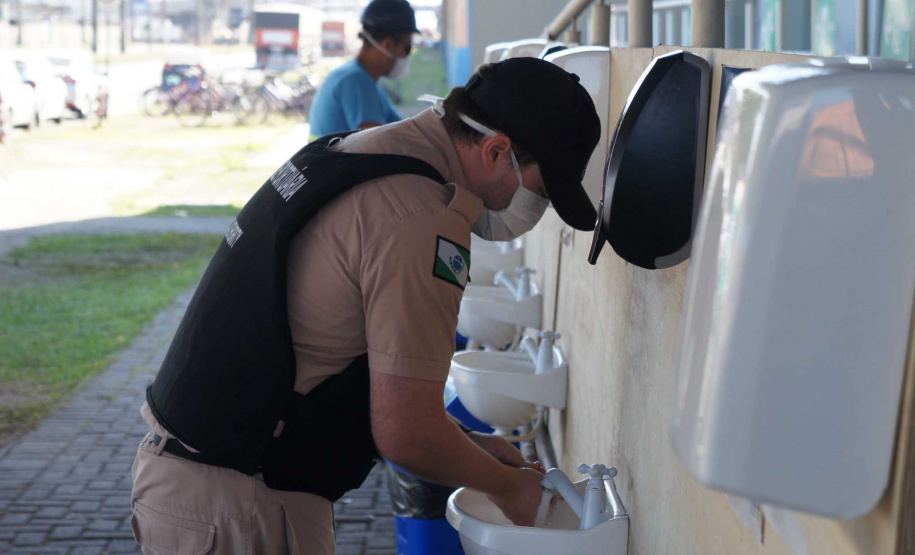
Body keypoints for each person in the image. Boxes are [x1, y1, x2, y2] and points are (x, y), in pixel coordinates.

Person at [130, 57, 601, 555]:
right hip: (237, 505)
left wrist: (475, 444)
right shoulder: (422, 215)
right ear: (496, 150)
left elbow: (367, 381)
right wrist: (512, 491)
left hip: (192, 480)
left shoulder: (350, 152)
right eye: (541, 192)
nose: (535, 211)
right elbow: (408, 434)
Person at [308, 0, 416, 140]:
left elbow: (401, 130)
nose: (406, 57)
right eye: (407, 48)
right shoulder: (356, 81)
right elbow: (379, 145)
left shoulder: (363, 79)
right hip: (333, 162)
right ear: (387, 45)